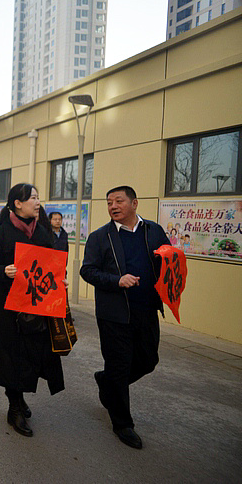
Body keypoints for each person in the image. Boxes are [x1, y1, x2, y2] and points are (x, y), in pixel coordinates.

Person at [80, 185, 169, 449]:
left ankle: (106, 381)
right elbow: (87, 271)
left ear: (134, 203)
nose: (113, 206)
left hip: (146, 310)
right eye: (109, 203)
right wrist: (117, 280)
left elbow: (168, 258)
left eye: (118, 201)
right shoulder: (100, 237)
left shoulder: (154, 231)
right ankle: (122, 423)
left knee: (148, 360)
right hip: (114, 314)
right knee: (119, 366)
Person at [0, 183, 66, 438]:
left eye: (37, 197)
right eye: (32, 197)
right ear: (17, 203)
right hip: (7, 308)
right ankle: (14, 406)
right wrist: (4, 271)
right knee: (10, 356)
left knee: (31, 354)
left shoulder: (42, 233)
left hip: (35, 307)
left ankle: (20, 399)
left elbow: (51, 266)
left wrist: (60, 280)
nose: (37, 201)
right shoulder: (1, 234)